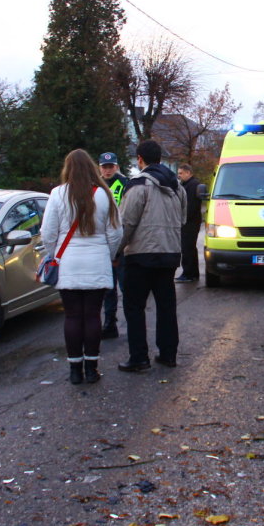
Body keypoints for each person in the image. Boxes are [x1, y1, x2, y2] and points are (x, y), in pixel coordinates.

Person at [41, 149, 123, 385]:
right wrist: (107, 255)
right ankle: (91, 368)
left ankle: (74, 370)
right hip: (97, 259)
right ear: (91, 168)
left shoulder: (57, 194)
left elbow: (48, 233)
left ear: (68, 168)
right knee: (93, 316)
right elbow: (115, 232)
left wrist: (53, 255)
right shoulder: (104, 194)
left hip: (68, 261)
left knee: (73, 316)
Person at [117, 140, 187, 372]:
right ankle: (168, 354)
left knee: (134, 306)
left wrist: (115, 251)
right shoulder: (177, 186)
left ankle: (139, 357)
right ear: (160, 158)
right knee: (166, 305)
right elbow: (182, 219)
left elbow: (126, 224)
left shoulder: (138, 185)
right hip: (169, 254)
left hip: (140, 255)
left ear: (140, 159)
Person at [98, 152, 129, 338]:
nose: (108, 170)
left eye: (110, 167)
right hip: (102, 242)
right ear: (99, 167)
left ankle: (132, 322)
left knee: (126, 286)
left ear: (116, 167)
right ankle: (110, 324)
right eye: (104, 167)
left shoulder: (125, 184)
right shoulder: (96, 185)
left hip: (122, 241)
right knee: (108, 288)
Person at [176, 163, 202, 283]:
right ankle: (193, 273)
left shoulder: (192, 185)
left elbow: (190, 206)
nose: (179, 175)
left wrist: (181, 219)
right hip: (190, 222)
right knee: (190, 248)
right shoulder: (188, 185)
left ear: (188, 173)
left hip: (189, 222)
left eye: (181, 173)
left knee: (187, 248)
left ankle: (188, 274)